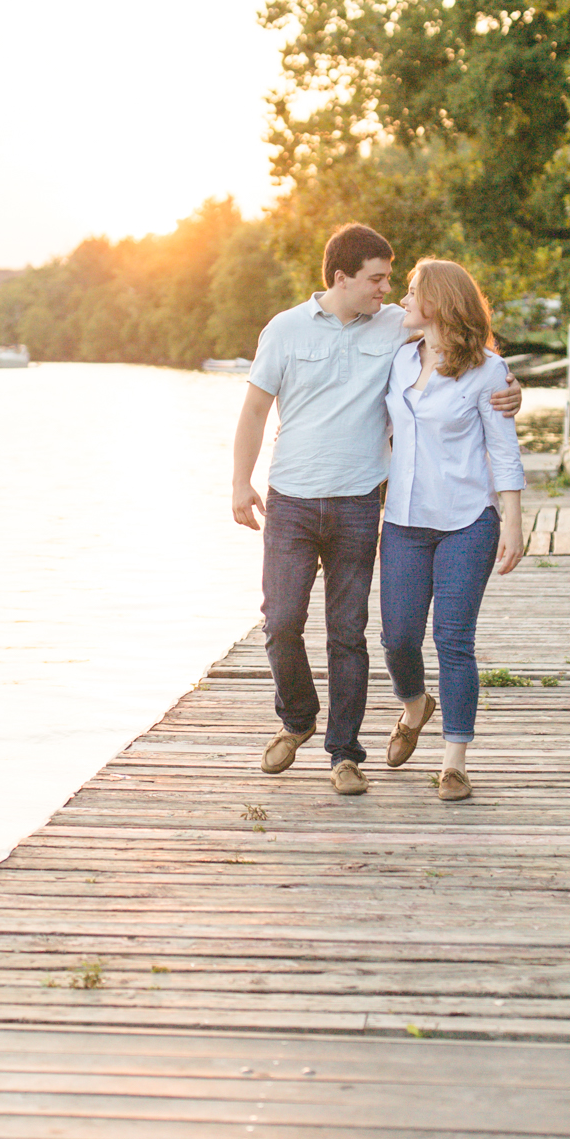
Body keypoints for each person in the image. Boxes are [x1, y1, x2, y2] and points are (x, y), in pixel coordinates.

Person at [233, 224, 520, 796]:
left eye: (396, 282)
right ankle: (309, 718)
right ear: (343, 278)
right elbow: (254, 411)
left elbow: (474, 359)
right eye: (378, 279)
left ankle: (363, 755)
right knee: (291, 623)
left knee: (366, 632)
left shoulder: (401, 329)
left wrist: (514, 391)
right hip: (322, 505)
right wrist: (240, 483)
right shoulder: (298, 332)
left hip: (380, 506)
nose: (389, 291)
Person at [379, 258, 525, 802]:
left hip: (467, 522)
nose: (403, 298)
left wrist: (512, 520)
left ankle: (454, 762)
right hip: (403, 523)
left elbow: (503, 452)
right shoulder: (395, 360)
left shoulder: (489, 371)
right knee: (397, 639)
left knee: (453, 641)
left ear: (438, 301)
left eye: (413, 290)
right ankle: (415, 707)